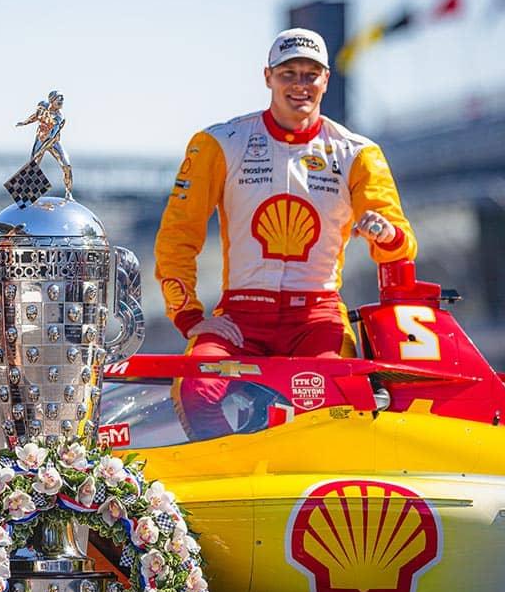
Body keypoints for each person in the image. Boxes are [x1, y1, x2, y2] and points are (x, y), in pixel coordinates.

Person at [154, 28, 417, 439]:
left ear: (326, 79)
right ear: (267, 77)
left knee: (335, 401)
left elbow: (400, 244)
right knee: (196, 390)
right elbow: (177, 235)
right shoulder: (219, 143)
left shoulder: (357, 153)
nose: (299, 85)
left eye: (310, 74)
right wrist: (189, 317)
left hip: (316, 317)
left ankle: (309, 489)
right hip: (241, 316)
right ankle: (234, 479)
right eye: (288, 73)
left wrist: (385, 235)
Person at [16, 90, 73, 195]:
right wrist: (25, 122)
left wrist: (41, 150)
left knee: (67, 166)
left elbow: (52, 135)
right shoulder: (43, 106)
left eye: (62, 99)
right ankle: (26, 193)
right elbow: (36, 115)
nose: (61, 101)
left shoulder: (60, 117)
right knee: (33, 165)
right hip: (40, 139)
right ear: (52, 100)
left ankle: (68, 193)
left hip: (53, 142)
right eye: (59, 98)